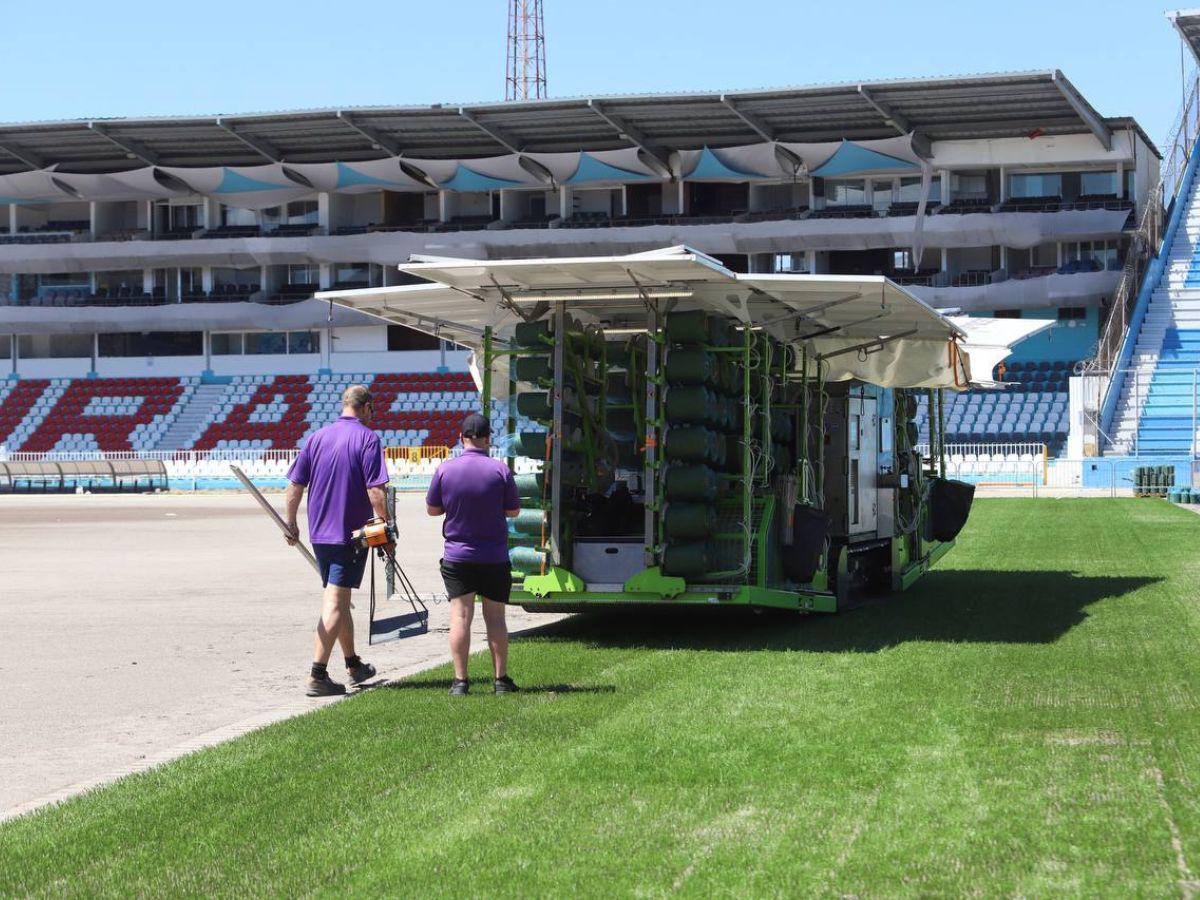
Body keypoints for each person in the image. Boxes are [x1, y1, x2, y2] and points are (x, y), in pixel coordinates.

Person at [284, 384, 388, 697]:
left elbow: (294, 486)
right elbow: (376, 490)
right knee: (334, 601)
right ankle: (317, 674)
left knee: (339, 598)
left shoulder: (317, 437)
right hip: (350, 536)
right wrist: (385, 527)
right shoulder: (368, 438)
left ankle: (353, 664)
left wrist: (291, 523)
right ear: (367, 407)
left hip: (320, 533)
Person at [426, 413, 521, 696]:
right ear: (488, 439)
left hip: (458, 555)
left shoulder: (446, 469)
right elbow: (513, 511)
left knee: (460, 616)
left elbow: (432, 509)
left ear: (461, 438)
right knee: (495, 618)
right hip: (493, 554)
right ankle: (500, 680)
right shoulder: (500, 470)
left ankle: (460, 681)